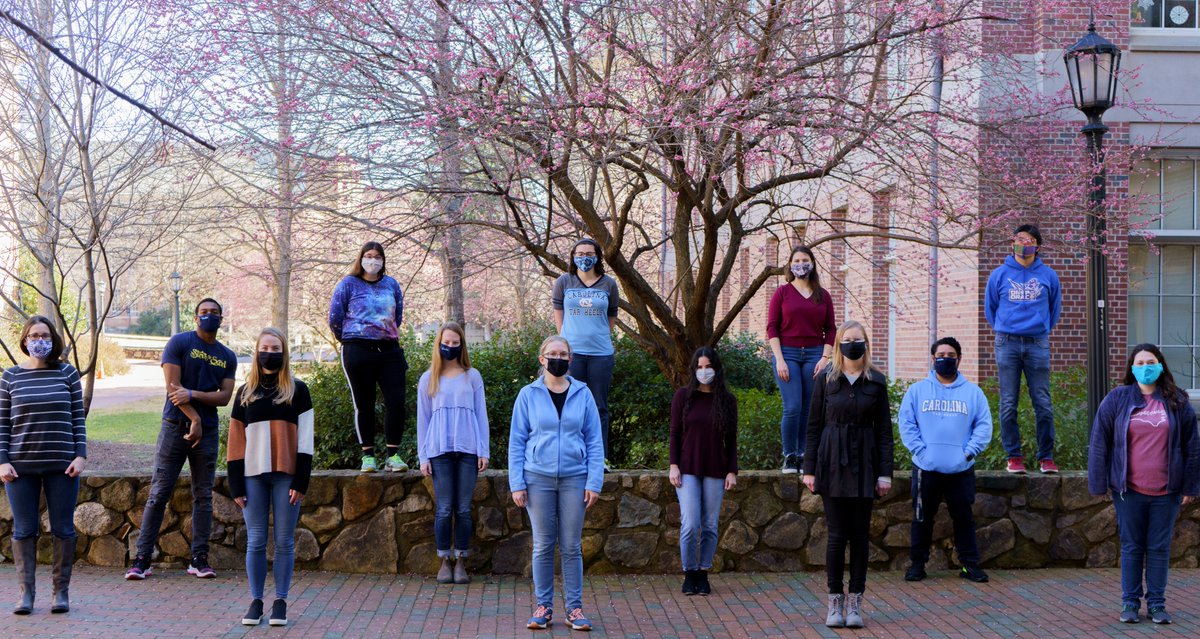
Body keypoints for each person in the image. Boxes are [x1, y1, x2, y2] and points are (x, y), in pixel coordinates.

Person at [1088, 343, 1200, 625]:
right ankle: (1129, 602)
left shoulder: (1177, 400)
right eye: (1140, 363)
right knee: (1132, 546)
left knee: (1159, 548)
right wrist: (1098, 483)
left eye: (1151, 362)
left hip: (1167, 491)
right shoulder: (1117, 399)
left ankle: (1157, 605)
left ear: (1160, 365)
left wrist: (1191, 486)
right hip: (1129, 490)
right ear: (1132, 367)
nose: (1146, 367)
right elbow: (1100, 441)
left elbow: (1192, 447)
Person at [127, 298, 236, 580]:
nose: (209, 316)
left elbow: (224, 397)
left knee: (204, 496)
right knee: (158, 493)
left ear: (221, 318)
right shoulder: (179, 343)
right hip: (175, 427)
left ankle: (199, 559)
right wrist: (195, 417)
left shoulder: (227, 356)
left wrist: (194, 395)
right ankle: (142, 559)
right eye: (204, 312)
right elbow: (173, 388)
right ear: (195, 317)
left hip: (207, 432)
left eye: (214, 312)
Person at [509, 335, 604, 632]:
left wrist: (594, 481)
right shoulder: (528, 394)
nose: (558, 358)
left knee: (572, 546)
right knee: (542, 545)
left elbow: (594, 440)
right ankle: (543, 607)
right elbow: (517, 441)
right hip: (537, 477)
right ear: (542, 358)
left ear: (570, 359)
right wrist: (516, 483)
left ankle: (574, 609)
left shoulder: (583, 394)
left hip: (575, 478)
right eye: (553, 353)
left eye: (563, 354)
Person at [802, 320, 893, 629]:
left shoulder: (876, 381)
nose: (854, 344)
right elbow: (813, 426)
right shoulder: (825, 379)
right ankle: (834, 601)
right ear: (840, 343)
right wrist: (809, 469)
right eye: (848, 339)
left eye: (858, 339)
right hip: (832, 463)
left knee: (860, 536)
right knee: (837, 535)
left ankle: (855, 602)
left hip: (865, 463)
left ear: (866, 343)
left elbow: (884, 431)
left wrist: (885, 473)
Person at [227, 328, 314, 627]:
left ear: (284, 352)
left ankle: (280, 601)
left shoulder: (298, 390)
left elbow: (306, 440)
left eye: (275, 348)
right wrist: (235, 484)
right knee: (256, 541)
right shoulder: (244, 393)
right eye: (264, 348)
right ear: (256, 352)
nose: (269, 353)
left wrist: (301, 481)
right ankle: (256, 601)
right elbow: (235, 442)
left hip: (287, 477)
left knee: (284, 541)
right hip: (253, 477)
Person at [0, 316, 86, 614]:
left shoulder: (67, 373)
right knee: (24, 530)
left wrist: (80, 455)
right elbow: (2, 424)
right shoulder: (10, 376)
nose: (40, 340)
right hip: (20, 468)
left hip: (63, 466)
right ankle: (26, 595)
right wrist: (2, 461)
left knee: (63, 529)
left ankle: (60, 593)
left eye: (45, 335)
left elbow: (78, 418)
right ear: (25, 340)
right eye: (34, 336)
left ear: (54, 339)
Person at [898, 337, 992, 584]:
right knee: (922, 518)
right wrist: (921, 452)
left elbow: (984, 426)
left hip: (961, 469)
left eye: (951, 355)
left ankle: (969, 565)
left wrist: (968, 453)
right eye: (941, 355)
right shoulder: (917, 391)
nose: (946, 359)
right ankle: (917, 565)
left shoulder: (973, 393)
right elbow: (906, 424)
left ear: (959, 359)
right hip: (925, 468)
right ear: (933, 359)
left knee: (963, 518)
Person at [984, 224, 1062, 474]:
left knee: (1043, 402)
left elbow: (1054, 309)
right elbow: (990, 309)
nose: (1023, 244)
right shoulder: (999, 275)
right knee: (1008, 403)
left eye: (1029, 241)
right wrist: (1005, 327)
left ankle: (1046, 457)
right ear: (1012, 244)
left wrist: (1040, 327)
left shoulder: (1049, 275)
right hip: (1007, 342)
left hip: (1037, 342)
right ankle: (1014, 456)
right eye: (1019, 239)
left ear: (1037, 246)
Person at [417, 321, 490, 585]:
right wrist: (423, 456)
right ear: (439, 344)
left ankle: (461, 561)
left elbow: (481, 414)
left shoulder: (473, 376)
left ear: (462, 345)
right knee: (445, 508)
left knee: (463, 509)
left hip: (468, 449)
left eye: (455, 343)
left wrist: (483, 450)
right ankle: (444, 561)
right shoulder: (428, 378)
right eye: (446, 343)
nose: (450, 346)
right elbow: (423, 420)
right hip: (440, 450)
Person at [328, 241, 409, 473]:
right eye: (369, 255)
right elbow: (335, 317)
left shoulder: (391, 284)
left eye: (377, 256)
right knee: (364, 404)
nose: (373, 260)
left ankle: (393, 455)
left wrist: (383, 332)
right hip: (357, 349)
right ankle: (368, 456)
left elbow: (397, 315)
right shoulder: (348, 284)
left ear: (383, 260)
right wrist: (351, 338)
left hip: (389, 349)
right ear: (361, 258)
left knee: (396, 402)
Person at [669, 346, 738, 597]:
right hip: (687, 467)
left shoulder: (727, 400)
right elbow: (674, 433)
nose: (704, 371)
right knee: (690, 523)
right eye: (699, 367)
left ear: (716, 368)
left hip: (716, 469)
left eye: (708, 366)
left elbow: (731, 439)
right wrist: (673, 465)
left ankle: (703, 572)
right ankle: (689, 572)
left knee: (709, 525)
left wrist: (732, 471)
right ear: (693, 369)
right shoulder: (683, 396)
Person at [767, 245, 836, 473]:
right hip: (787, 354)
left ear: (812, 263)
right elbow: (772, 327)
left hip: (815, 354)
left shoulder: (823, 295)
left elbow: (831, 329)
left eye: (805, 260)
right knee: (793, 406)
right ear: (790, 265)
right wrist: (779, 359)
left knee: (808, 408)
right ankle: (789, 456)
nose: (800, 264)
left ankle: (804, 454)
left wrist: (825, 358)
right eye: (796, 261)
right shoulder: (782, 293)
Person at [552, 238, 620, 469]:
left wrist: (598, 336)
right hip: (572, 355)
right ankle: (574, 457)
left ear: (597, 256)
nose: (584, 258)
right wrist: (565, 343)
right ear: (573, 257)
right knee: (572, 406)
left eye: (589, 253)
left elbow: (611, 316)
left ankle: (600, 459)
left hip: (601, 354)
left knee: (599, 407)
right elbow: (559, 315)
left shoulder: (609, 284)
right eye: (579, 254)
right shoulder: (564, 281)